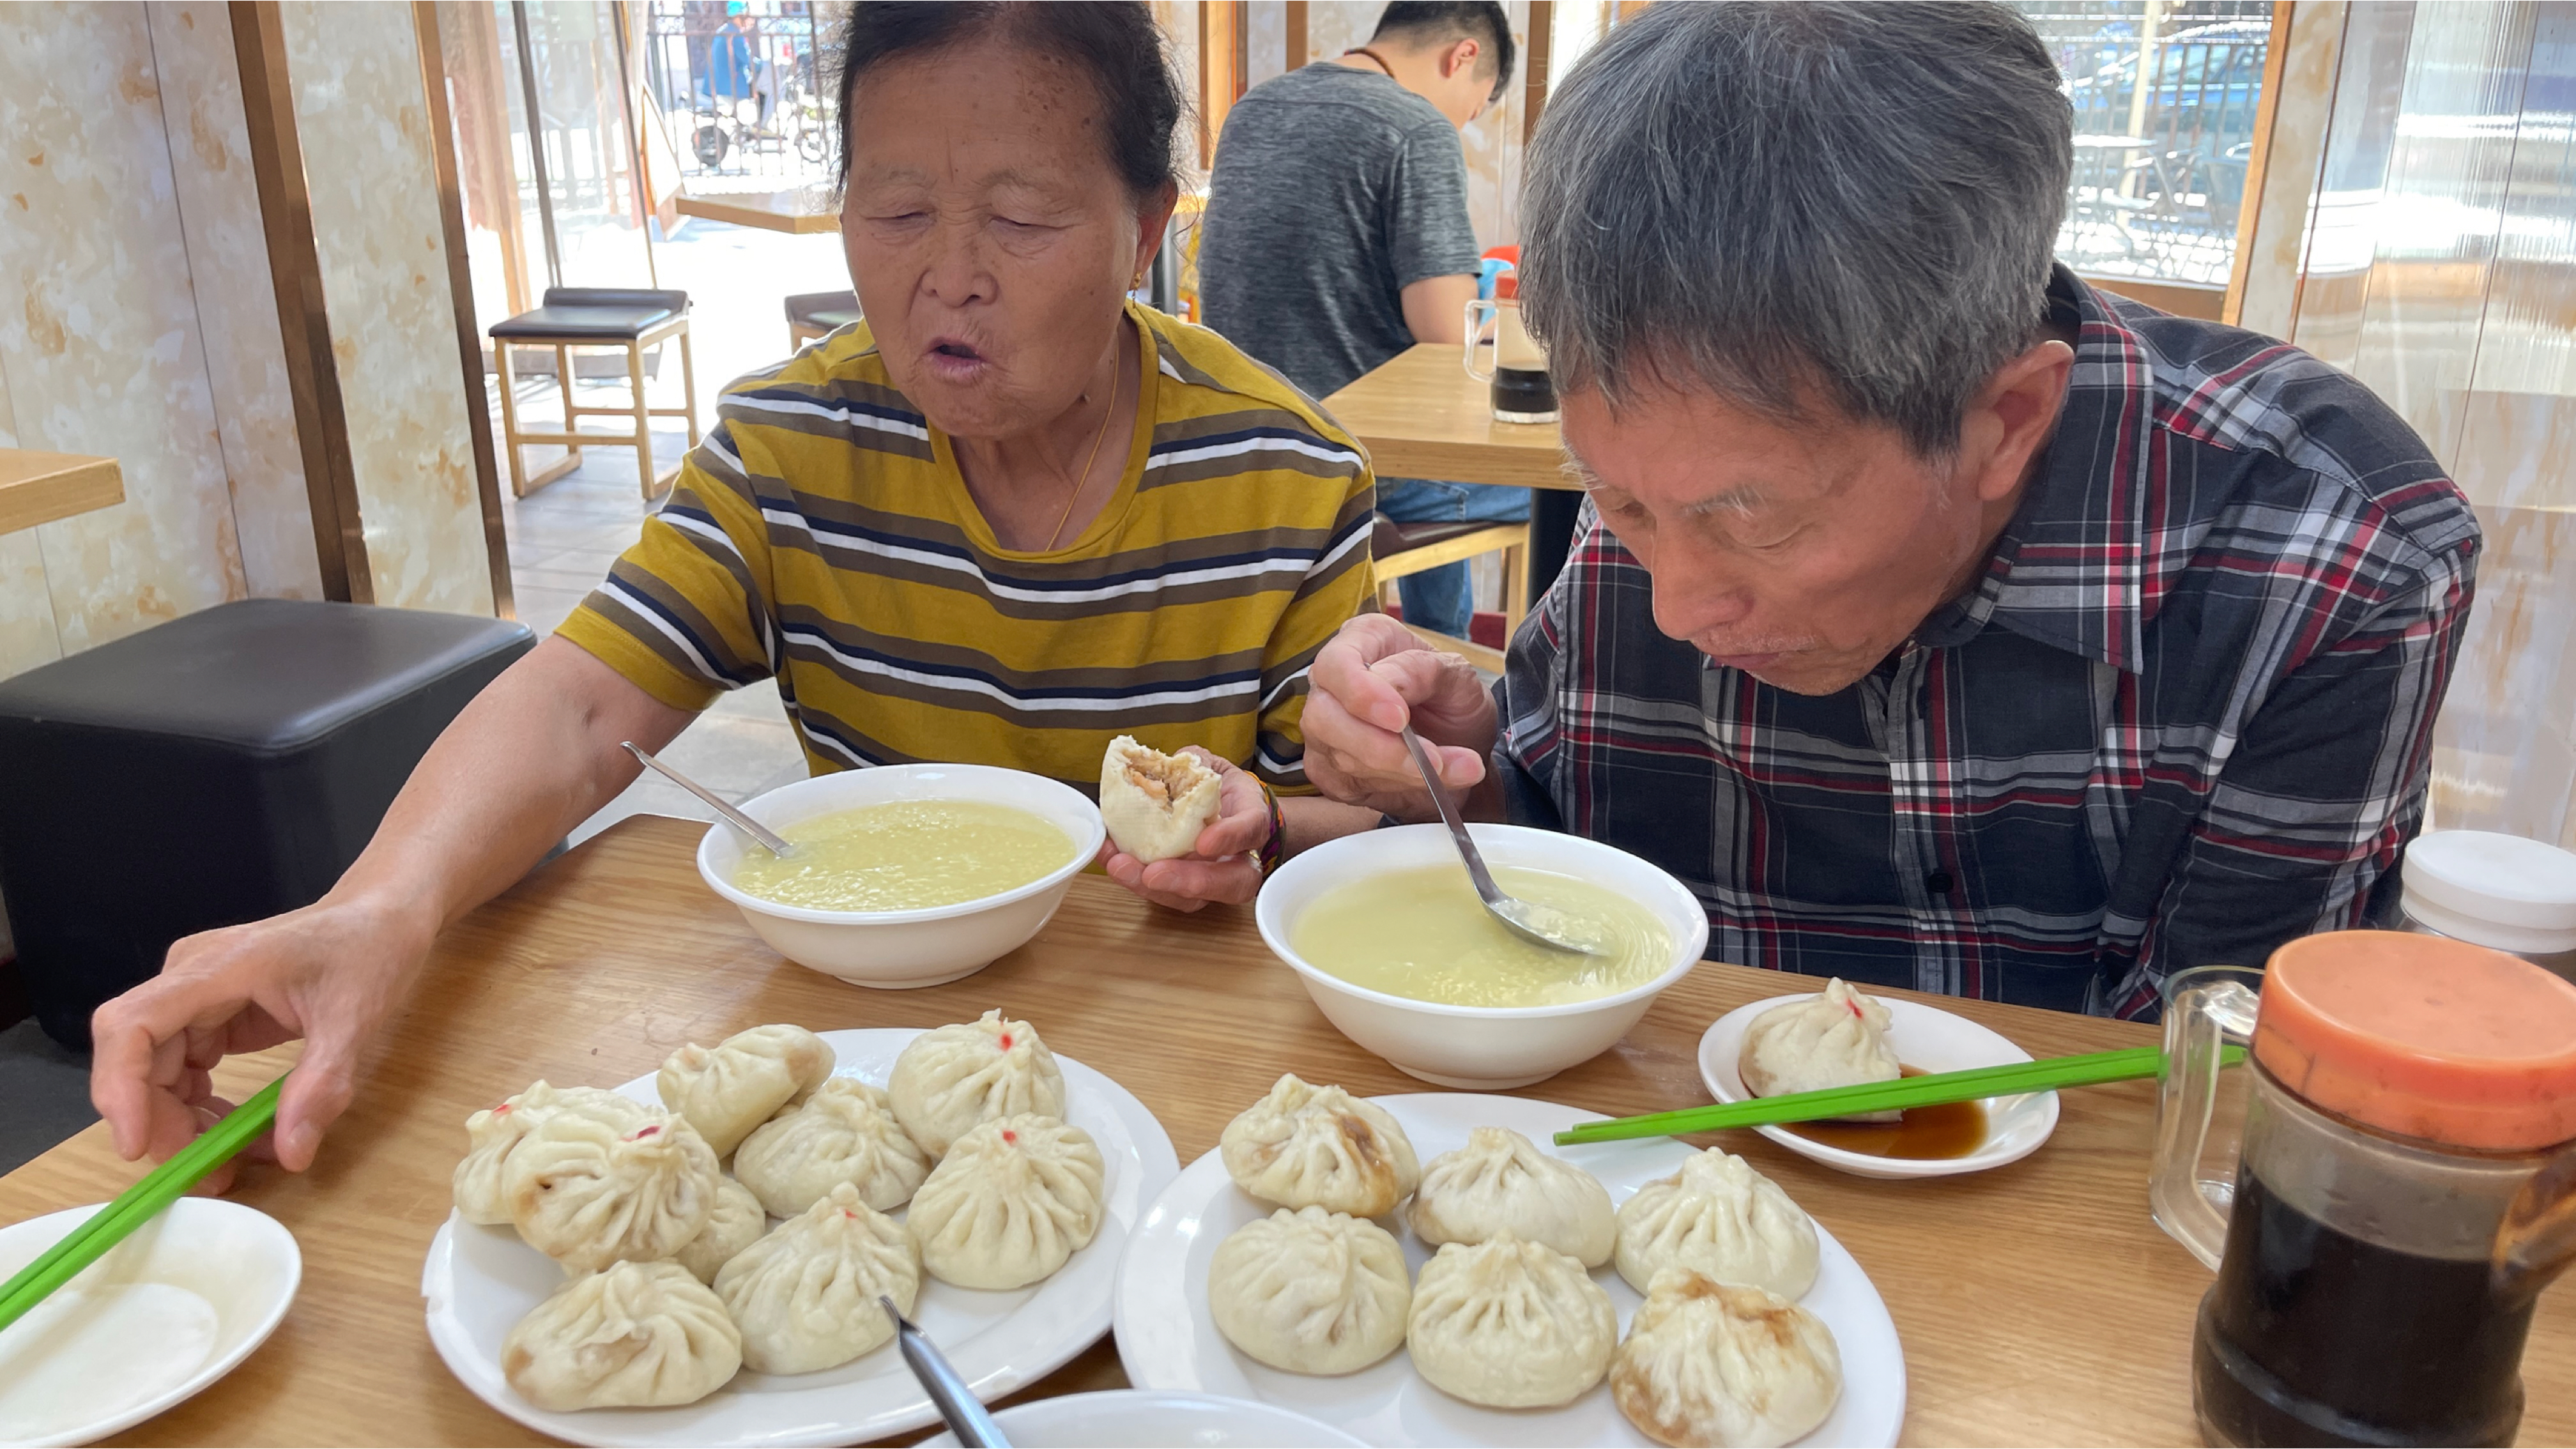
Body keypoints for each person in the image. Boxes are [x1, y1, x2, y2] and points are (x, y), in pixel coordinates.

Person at [90, 1, 1383, 1180]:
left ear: (1148, 227)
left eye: (1023, 217)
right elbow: (582, 707)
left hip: (1181, 1072)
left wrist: (1257, 831)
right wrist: (374, 916)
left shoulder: (1285, 476)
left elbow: (1345, 830)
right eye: (895, 210)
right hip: (860, 1068)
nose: (951, 274)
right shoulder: (791, 447)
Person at [1301, 1, 2479, 1018]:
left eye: (1754, 522)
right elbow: (1569, 870)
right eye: (1617, 504)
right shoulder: (1686, 474)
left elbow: (2206, 1090)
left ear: (2006, 421)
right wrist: (1461, 775)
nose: (1678, 603)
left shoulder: (2327, 558)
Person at [1197, 1, 1524, 641]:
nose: (1465, 121)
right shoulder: (1416, 127)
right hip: (1356, 472)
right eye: (1476, 104)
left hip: (1249, 458)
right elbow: (1442, 330)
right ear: (1464, 57)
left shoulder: (1253, 110)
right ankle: (1452, 664)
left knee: (1428, 436)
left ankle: (1436, 645)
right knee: (1574, 489)